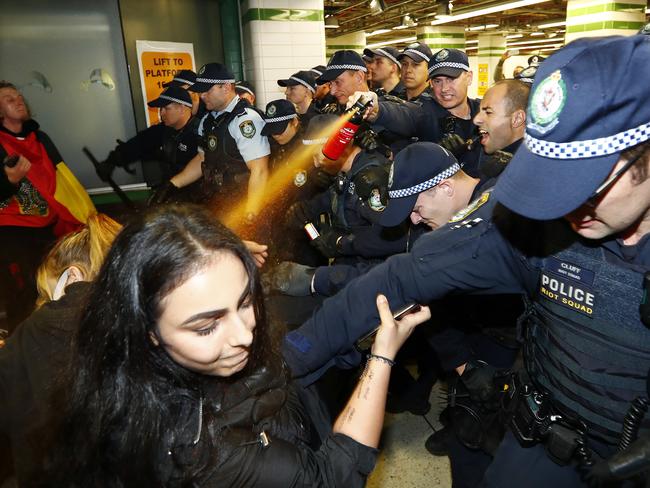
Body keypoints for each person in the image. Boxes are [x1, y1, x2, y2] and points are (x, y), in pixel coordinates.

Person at [282, 35, 650, 487]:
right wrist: (286, 361)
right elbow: (403, 276)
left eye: (586, 183)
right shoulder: (535, 223)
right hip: (548, 438)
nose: (566, 205)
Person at [40, 204, 431, 487]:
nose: (245, 335)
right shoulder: (202, 450)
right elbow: (335, 476)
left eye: (244, 303)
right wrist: (382, 356)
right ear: (149, 332)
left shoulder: (174, 363)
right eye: (207, 326)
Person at [0, 213, 122, 485]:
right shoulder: (147, 318)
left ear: (73, 277)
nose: (43, 304)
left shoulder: (40, 327)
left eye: (47, 293)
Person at [0, 81, 84, 331]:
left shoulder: (41, 138)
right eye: (8, 98)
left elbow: (63, 179)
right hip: (11, 231)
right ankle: (21, 347)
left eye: (19, 95)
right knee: (23, 292)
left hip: (47, 229)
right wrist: (9, 183)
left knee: (55, 286)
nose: (18, 99)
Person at [161, 63, 270, 221]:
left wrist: (251, 215)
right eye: (200, 91)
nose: (202, 95)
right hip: (219, 206)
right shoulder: (208, 121)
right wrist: (173, 184)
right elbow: (202, 158)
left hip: (244, 207)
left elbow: (259, 171)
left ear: (226, 87)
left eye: (207, 90)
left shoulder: (245, 120)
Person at [361, 48, 482, 176]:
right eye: (437, 81)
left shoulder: (483, 111)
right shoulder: (425, 111)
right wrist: (377, 111)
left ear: (469, 77)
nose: (444, 88)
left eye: (451, 79)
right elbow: (405, 113)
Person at [97, 85, 200, 200]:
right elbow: (140, 143)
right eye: (160, 109)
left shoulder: (200, 132)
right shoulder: (164, 130)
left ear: (181, 109)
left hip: (198, 199)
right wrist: (112, 160)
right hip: (172, 194)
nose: (161, 114)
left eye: (166, 108)